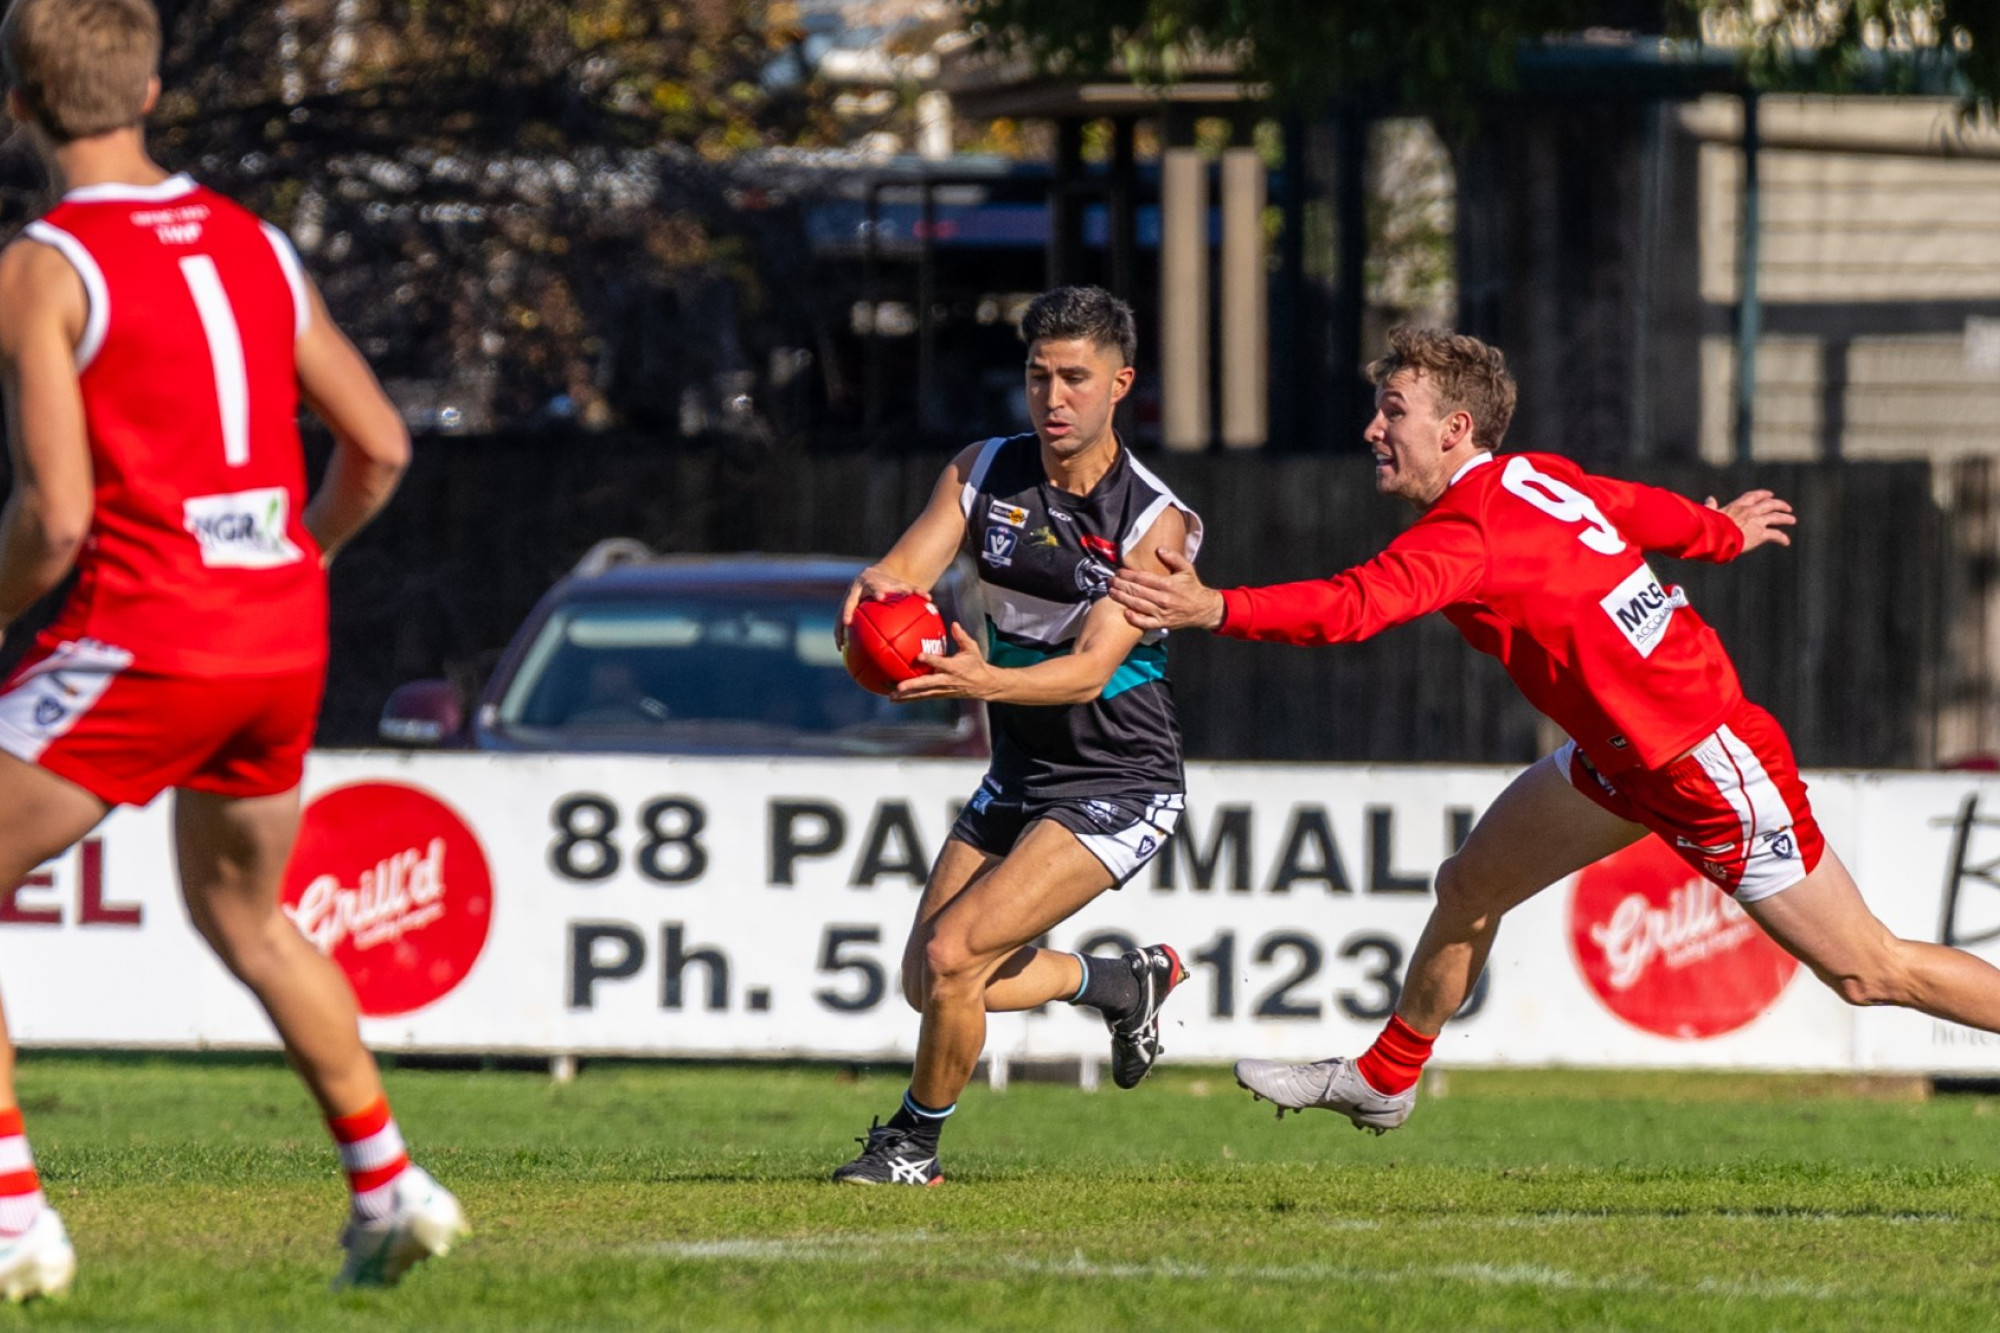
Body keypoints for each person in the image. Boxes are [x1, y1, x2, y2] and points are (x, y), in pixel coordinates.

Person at [1110, 324, 2000, 1134]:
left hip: (1705, 761)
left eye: (1394, 412)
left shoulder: (1465, 532)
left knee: (1869, 969)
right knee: (1469, 886)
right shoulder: (1535, 476)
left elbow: (1351, 607)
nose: (1375, 431)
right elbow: (1638, 508)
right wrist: (1717, 533)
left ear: (1457, 428)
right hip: (1621, 760)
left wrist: (1216, 605)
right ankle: (1388, 1075)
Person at [0, 0, 465, 1295]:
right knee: (248, 916)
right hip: (278, 631)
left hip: (149, 633)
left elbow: (55, 518)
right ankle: (389, 1185)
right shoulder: (249, 238)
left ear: (20, 108)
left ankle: (12, 1218)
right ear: (151, 91)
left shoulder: (43, 264)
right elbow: (379, 444)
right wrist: (296, 556)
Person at [831, 285, 1202, 1185]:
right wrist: (870, 599)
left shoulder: (1154, 525)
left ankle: (914, 1146)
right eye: (1039, 376)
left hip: (1123, 778)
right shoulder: (982, 471)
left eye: (1076, 377)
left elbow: (1084, 669)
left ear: (1122, 384)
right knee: (930, 979)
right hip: (1022, 767)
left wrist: (980, 680)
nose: (1054, 398)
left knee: (957, 954)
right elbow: (904, 569)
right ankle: (1118, 984)